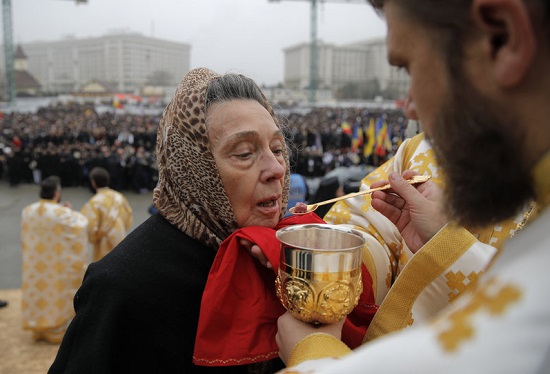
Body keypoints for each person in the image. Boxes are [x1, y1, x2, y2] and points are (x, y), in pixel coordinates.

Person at [276, 0, 550, 372]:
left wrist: (314, 355)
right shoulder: (420, 154)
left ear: (502, 37)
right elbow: (367, 223)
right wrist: (326, 254)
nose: (410, 108)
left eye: (410, 66)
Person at [49, 68, 323, 373]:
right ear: (193, 167)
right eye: (245, 153)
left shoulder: (287, 258)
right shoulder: (124, 289)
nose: (276, 169)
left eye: (277, 149)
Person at [322, 131, 534, 348]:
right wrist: (343, 261)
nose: (411, 109)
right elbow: (370, 224)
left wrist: (449, 245)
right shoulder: (427, 145)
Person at [21, 175, 89, 344]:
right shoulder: (62, 213)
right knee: (55, 294)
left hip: (34, 262)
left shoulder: (27, 210)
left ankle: (37, 329)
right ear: (57, 194)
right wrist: (69, 210)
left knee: (36, 292)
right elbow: (82, 224)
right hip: (55, 264)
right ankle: (54, 329)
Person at [81, 166, 133, 262]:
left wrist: (95, 236)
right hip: (120, 242)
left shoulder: (94, 202)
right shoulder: (119, 197)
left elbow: (89, 228)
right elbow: (128, 219)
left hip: (102, 247)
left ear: (93, 182)